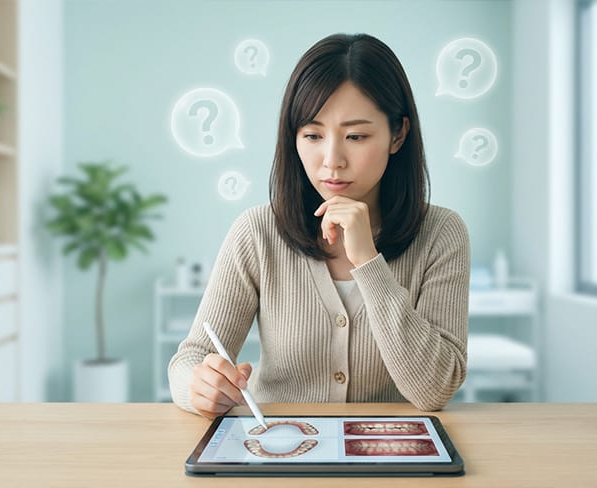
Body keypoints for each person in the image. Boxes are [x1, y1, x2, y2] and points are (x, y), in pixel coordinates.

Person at [168, 33, 470, 418]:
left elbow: (435, 390)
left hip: (386, 457)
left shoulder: (441, 233)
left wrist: (367, 261)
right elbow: (191, 357)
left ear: (398, 134)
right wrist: (198, 385)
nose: (332, 160)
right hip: (280, 449)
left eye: (356, 136)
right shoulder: (258, 232)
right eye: (312, 135)